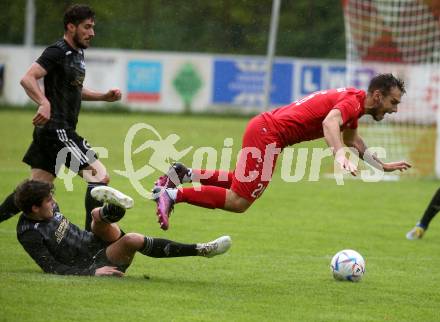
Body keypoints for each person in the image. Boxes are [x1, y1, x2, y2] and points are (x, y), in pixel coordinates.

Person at [152, 73, 412, 230]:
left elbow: (355, 141)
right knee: (239, 201)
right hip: (269, 133)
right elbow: (329, 123)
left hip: (266, 130)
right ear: (377, 96)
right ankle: (174, 195)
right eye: (393, 102)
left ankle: (183, 173)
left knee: (240, 184)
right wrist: (338, 154)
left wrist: (383, 166)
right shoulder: (352, 103)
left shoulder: (355, 103)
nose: (394, 109)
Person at [0, 4, 121, 230]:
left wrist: (103, 96)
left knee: (33, 192)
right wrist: (43, 102)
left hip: (49, 133)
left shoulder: (77, 53)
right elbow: (28, 78)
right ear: (71, 27)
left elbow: (74, 90)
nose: (91, 33)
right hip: (58, 131)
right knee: (99, 178)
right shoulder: (57, 51)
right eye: (87, 27)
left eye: (93, 27)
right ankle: (92, 244)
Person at [15, 180, 231, 276]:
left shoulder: (47, 209)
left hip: (93, 241)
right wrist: (91, 272)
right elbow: (50, 267)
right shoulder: (29, 233)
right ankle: (202, 249)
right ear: (34, 208)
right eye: (48, 201)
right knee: (133, 240)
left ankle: (110, 212)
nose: (53, 203)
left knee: (95, 217)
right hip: (92, 261)